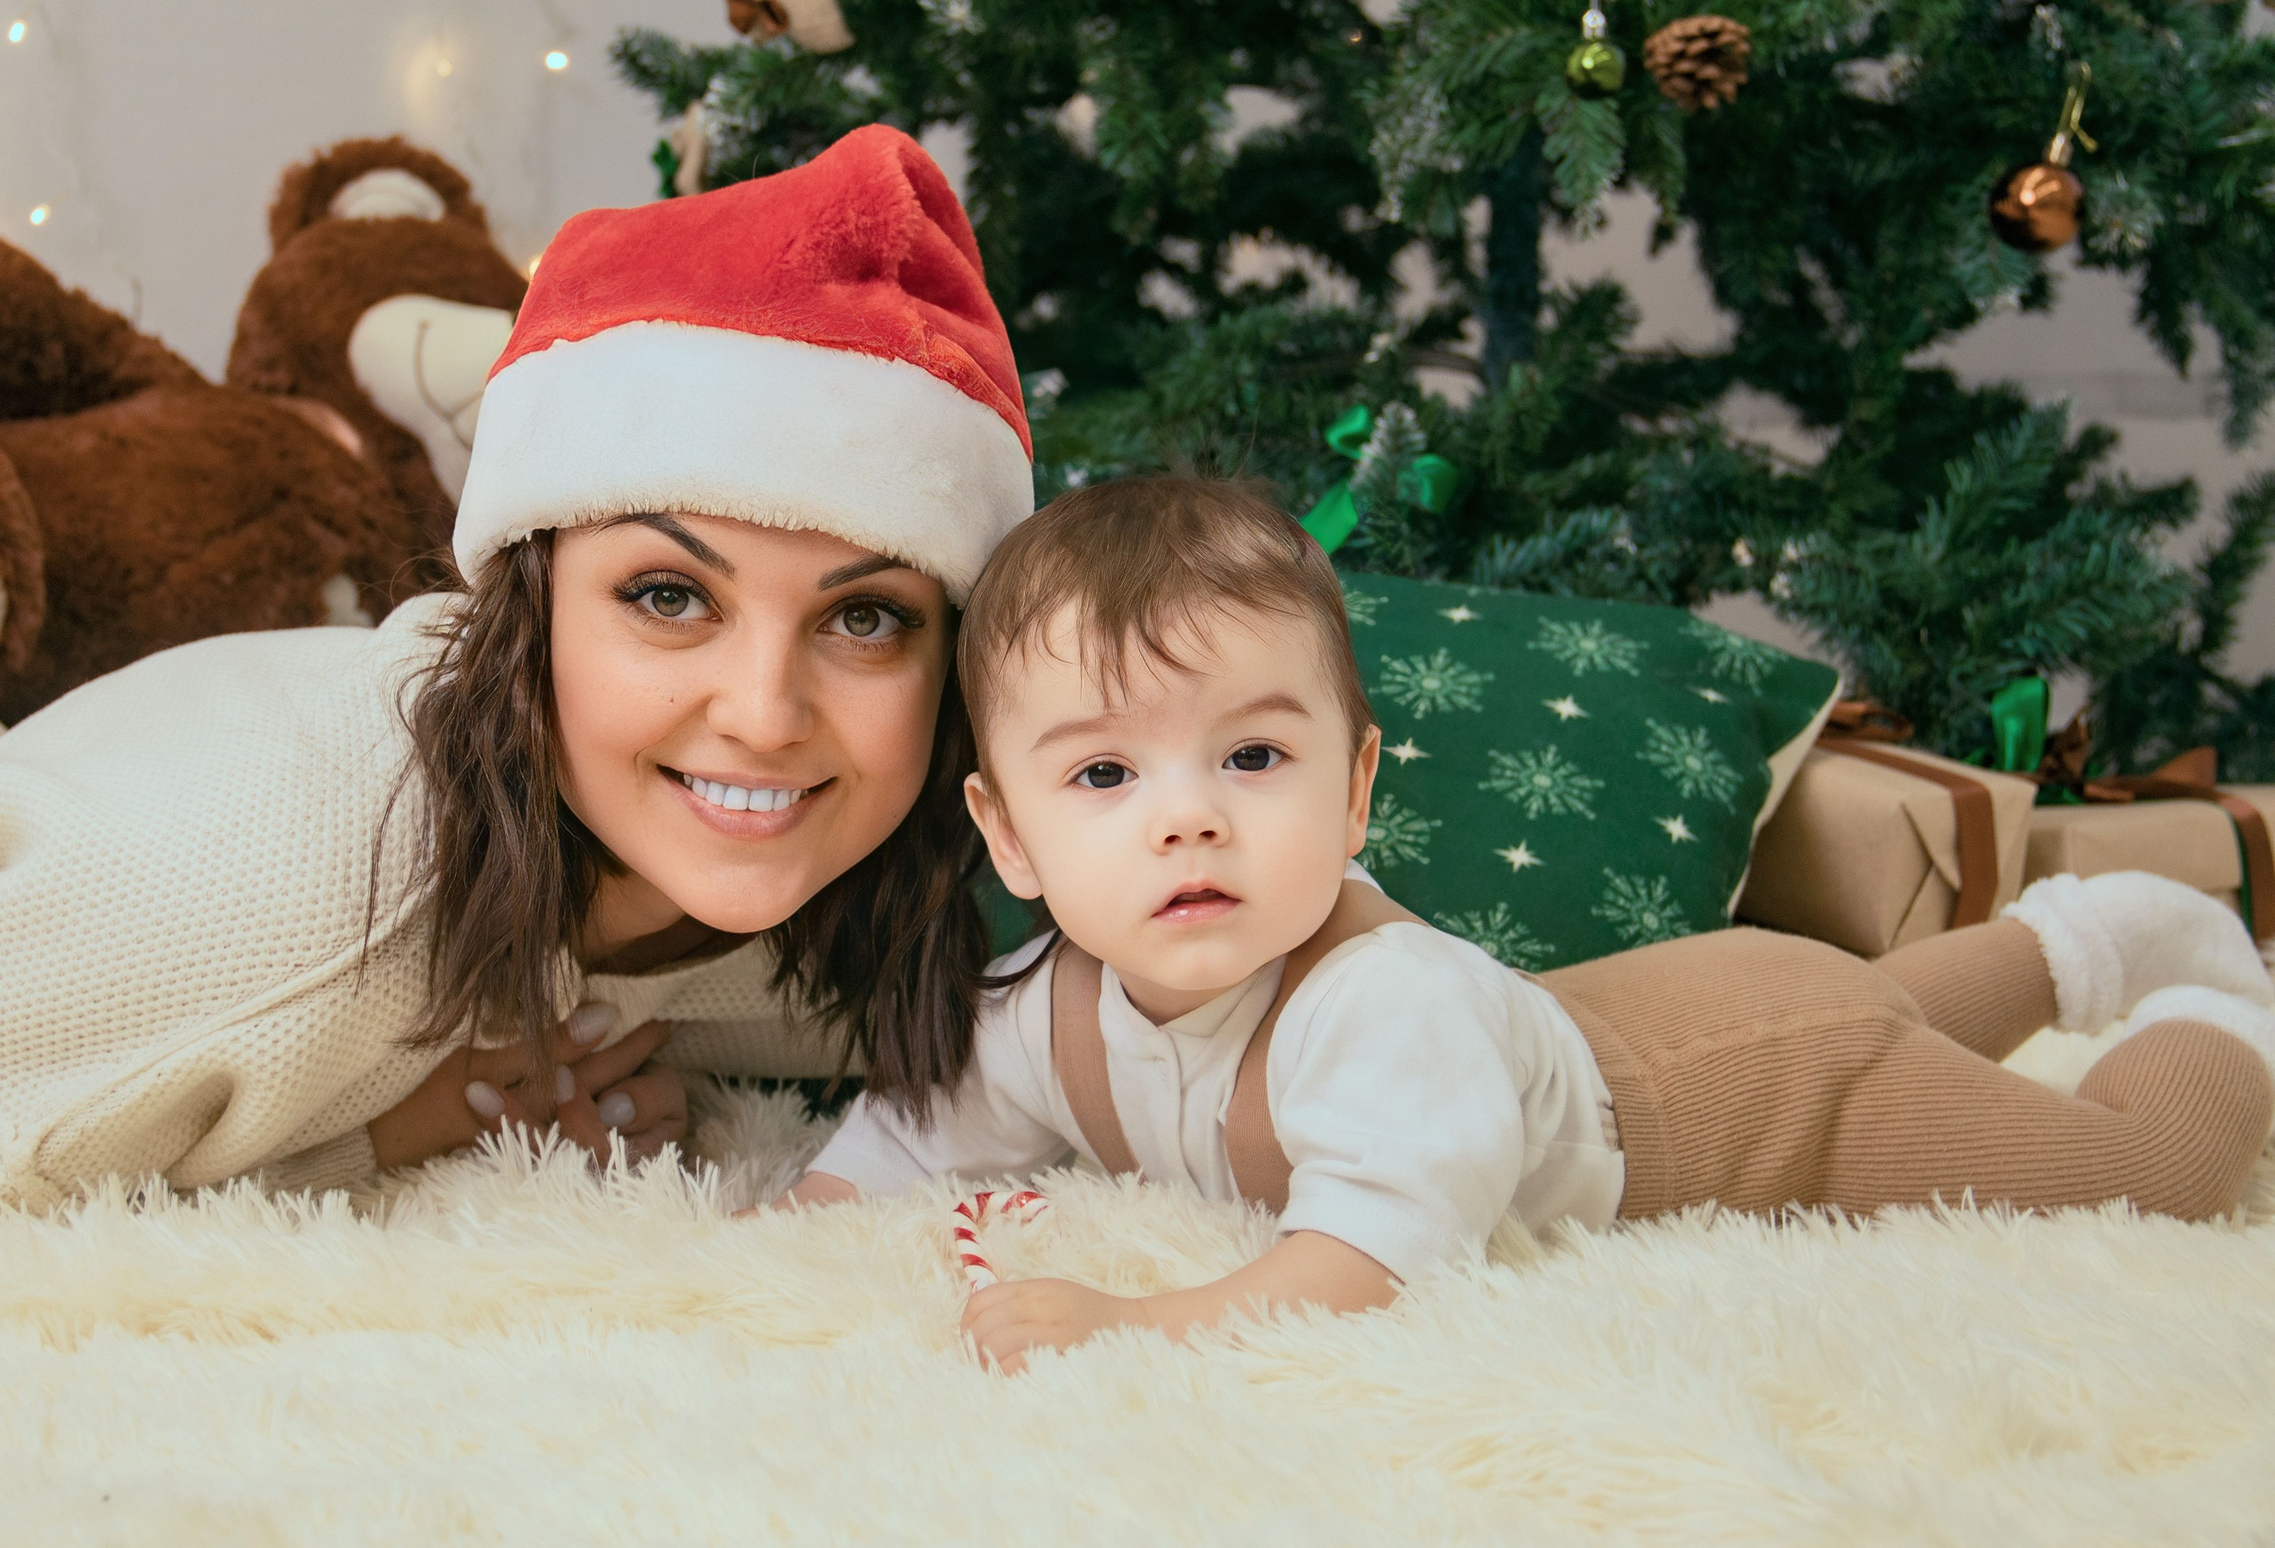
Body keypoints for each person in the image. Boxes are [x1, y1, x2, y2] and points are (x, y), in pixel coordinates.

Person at [0, 124, 1033, 1225]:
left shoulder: (864, 860)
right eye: (668, 596)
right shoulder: (283, 908)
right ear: (522, 611)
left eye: (864, 620)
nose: (763, 716)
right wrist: (377, 1135)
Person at [779, 476, 2275, 1372]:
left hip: (1744, 1107)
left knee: (2127, 1164)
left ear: (1356, 789)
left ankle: (2212, 991)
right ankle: (2072, 932)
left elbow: (1380, 1252)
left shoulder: (1379, 1005)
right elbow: (911, 1141)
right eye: (1105, 773)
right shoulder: (1038, 1010)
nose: (1190, 817)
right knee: (1880, 1000)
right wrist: (791, 1235)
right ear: (1007, 836)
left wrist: (1139, 1324)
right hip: (1679, 1003)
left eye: (1253, 756)